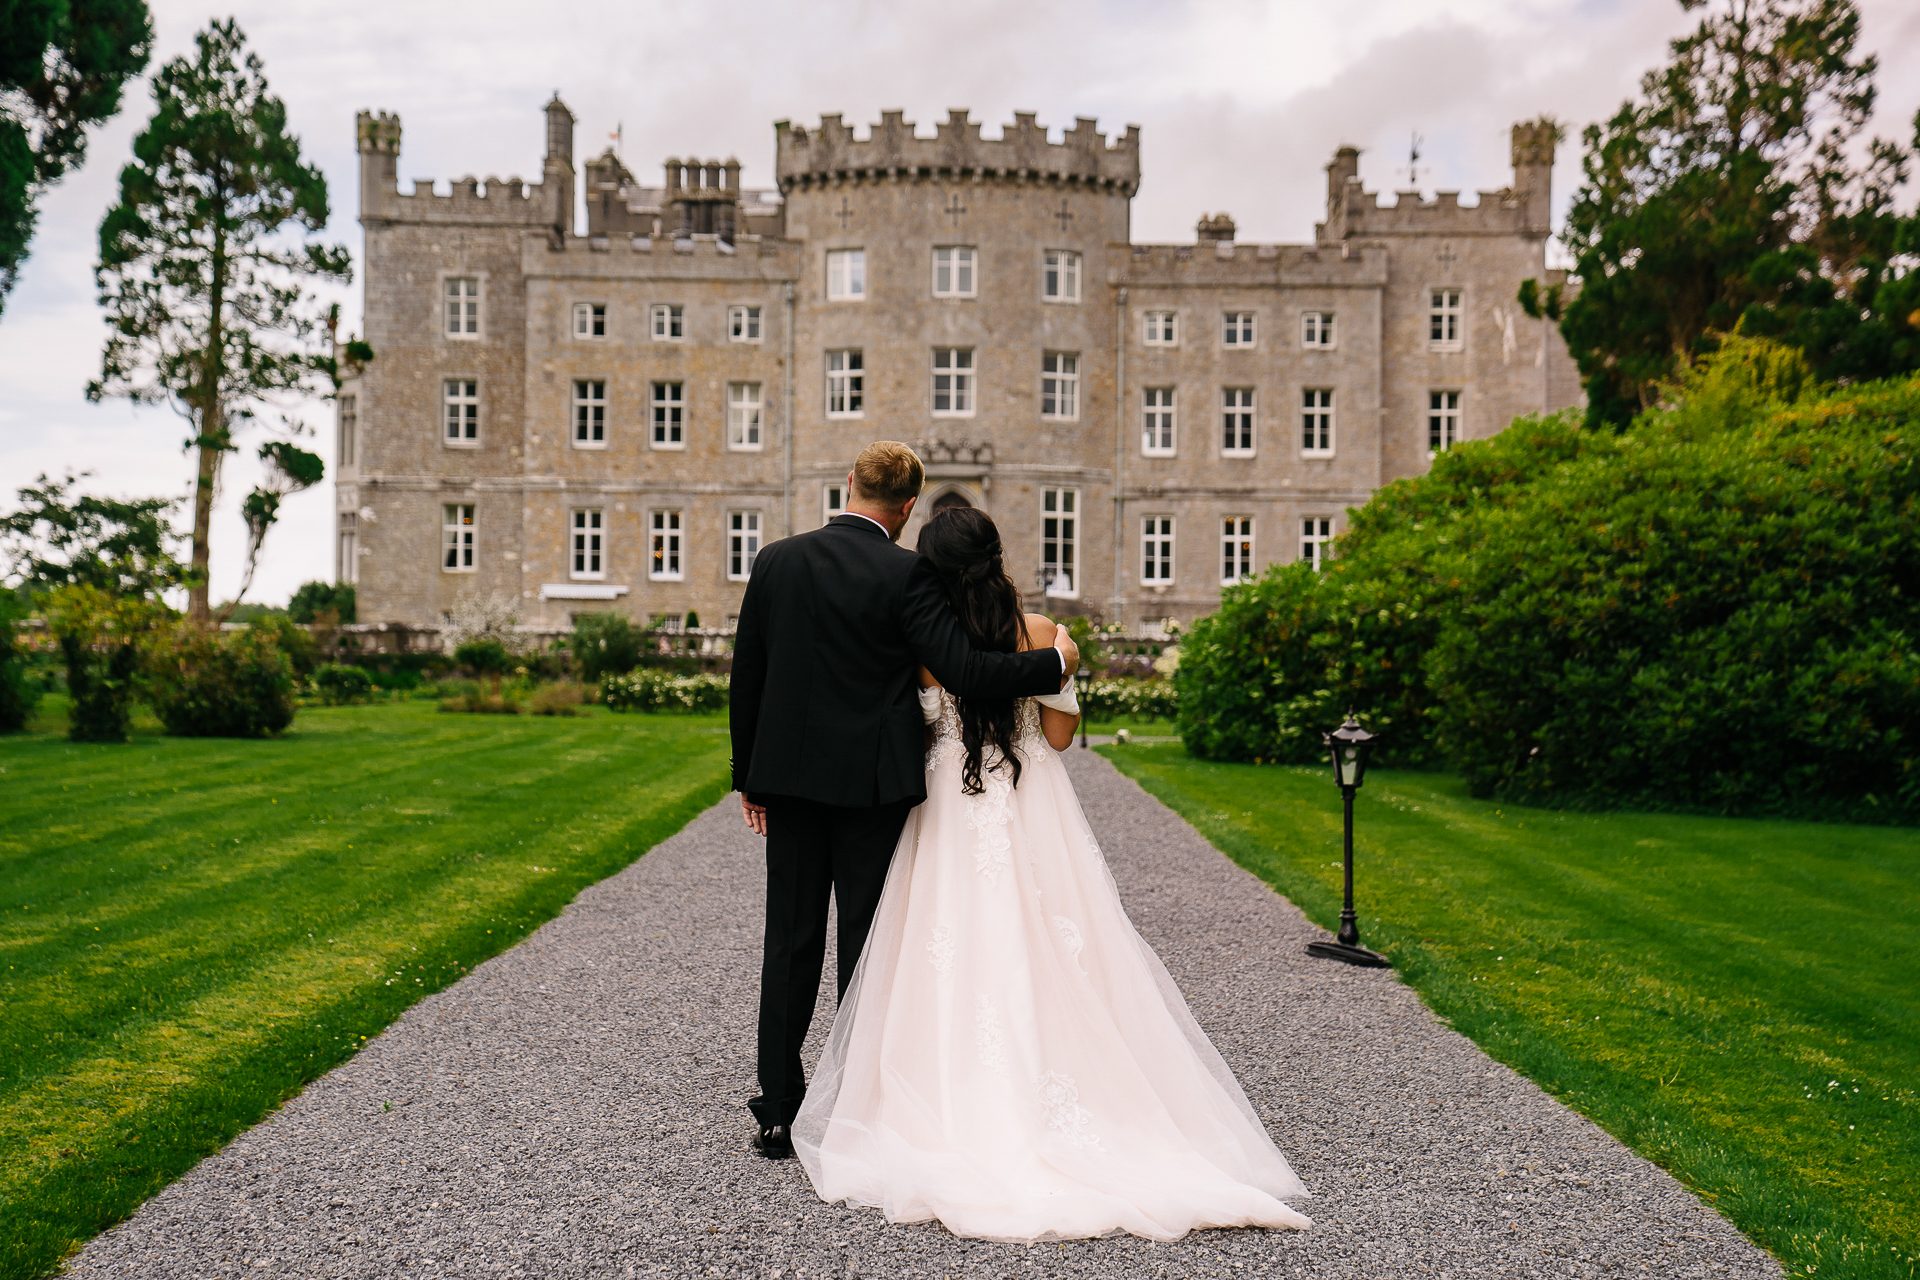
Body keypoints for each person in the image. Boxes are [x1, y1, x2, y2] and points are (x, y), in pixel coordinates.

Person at [790, 507, 1314, 1242]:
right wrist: (1055, 675)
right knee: (1058, 946)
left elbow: (912, 722)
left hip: (948, 805)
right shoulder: (1043, 635)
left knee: (948, 948)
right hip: (1031, 802)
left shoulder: (925, 644)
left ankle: (945, 1100)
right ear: (997, 557)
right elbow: (1062, 737)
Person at [730, 442, 1078, 1161]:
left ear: (848, 483)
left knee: (789, 941)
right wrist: (1058, 662)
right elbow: (965, 669)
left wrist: (748, 778)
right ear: (910, 505)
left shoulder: (776, 561)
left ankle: (777, 1109)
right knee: (867, 945)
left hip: (790, 784)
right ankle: (856, 1099)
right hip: (872, 786)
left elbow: (749, 677)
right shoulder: (906, 571)